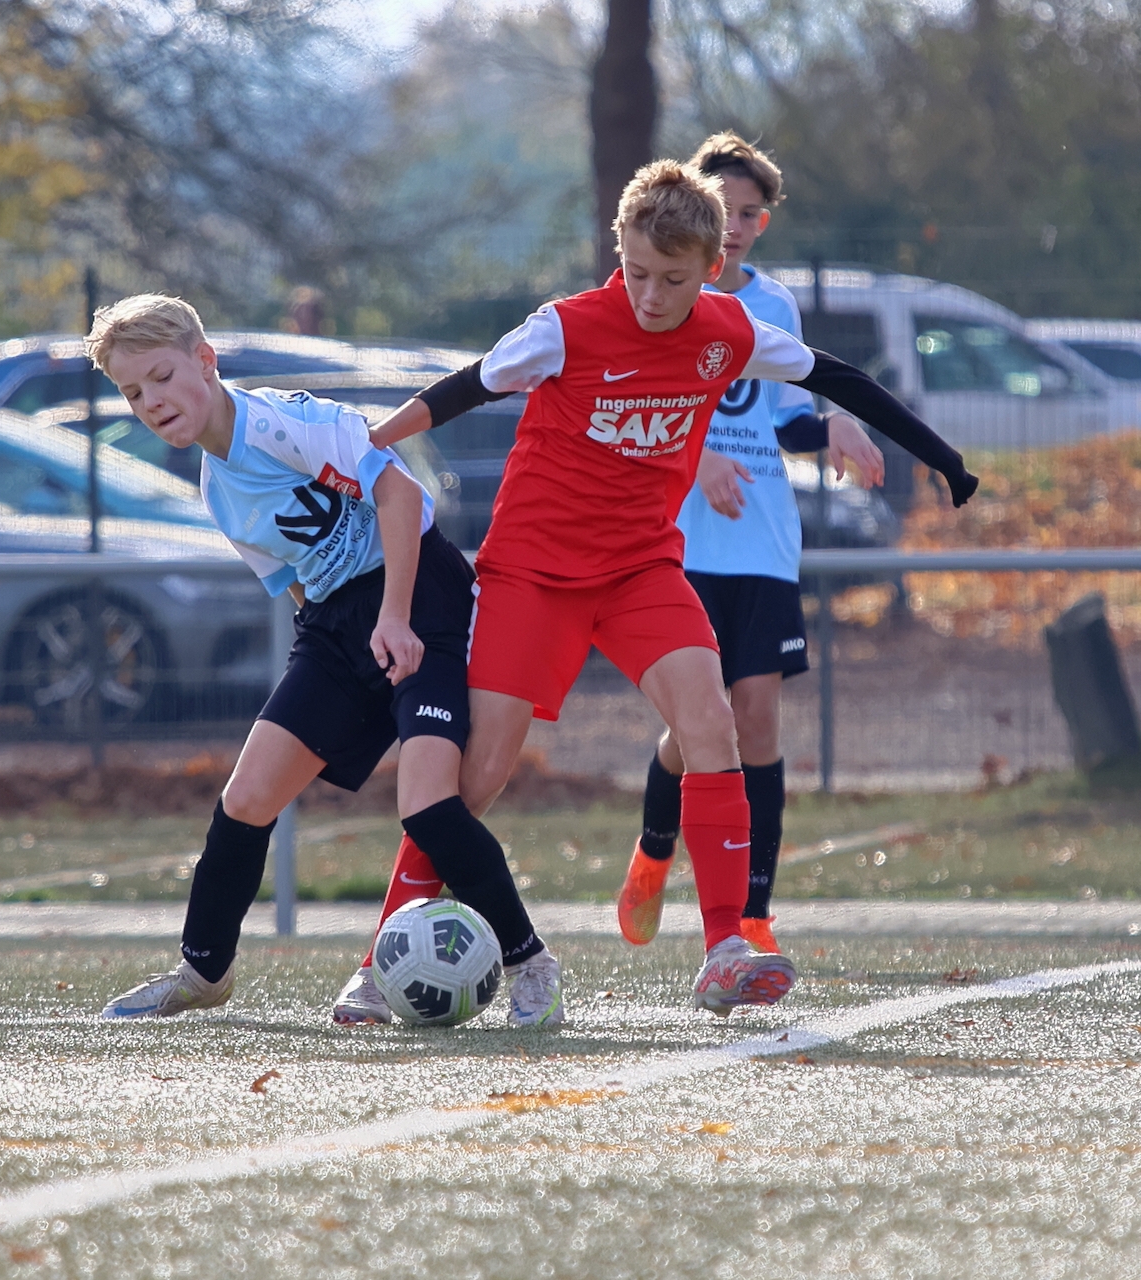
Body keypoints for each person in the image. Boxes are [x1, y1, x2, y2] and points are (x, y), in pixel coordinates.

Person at [367, 160, 977, 1015]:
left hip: (640, 569)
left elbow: (837, 378)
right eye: (638, 272)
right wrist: (371, 444)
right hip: (533, 572)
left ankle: (726, 947)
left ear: (712, 269)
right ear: (618, 248)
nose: (651, 296)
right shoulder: (566, 328)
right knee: (479, 777)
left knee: (712, 719)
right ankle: (384, 955)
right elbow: (464, 388)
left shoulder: (730, 330)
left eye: (674, 279)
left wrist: (943, 458)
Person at [86, 294, 563, 1027]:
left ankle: (531, 963)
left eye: (161, 377)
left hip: (419, 597)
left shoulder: (284, 424)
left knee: (428, 806)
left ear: (205, 362)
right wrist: (331, 662)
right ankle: (204, 971)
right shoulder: (216, 488)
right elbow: (298, 582)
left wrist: (395, 617)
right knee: (246, 800)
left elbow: (398, 497)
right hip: (337, 625)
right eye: (131, 392)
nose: (150, 401)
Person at [618, 132, 883, 955]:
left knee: (755, 720)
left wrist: (832, 425)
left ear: (762, 224)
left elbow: (784, 418)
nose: (733, 225)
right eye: (722, 208)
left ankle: (754, 916)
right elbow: (630, 409)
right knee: (701, 723)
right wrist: (695, 460)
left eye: (749, 214)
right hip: (682, 546)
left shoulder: (774, 308)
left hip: (762, 544)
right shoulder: (653, 294)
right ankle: (654, 851)